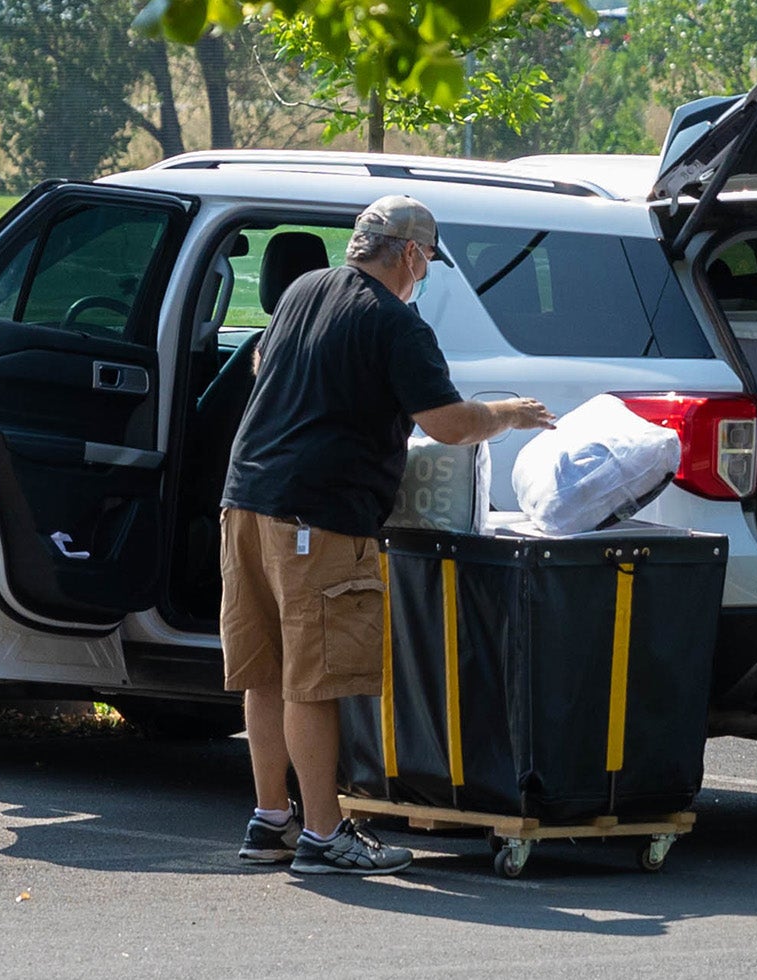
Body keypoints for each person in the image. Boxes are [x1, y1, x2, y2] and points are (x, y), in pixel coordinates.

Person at [220, 196, 554, 876]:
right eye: (427, 259)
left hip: (245, 502)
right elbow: (450, 425)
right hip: (317, 516)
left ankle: (271, 821)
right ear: (407, 253)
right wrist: (511, 414)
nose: (425, 271)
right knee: (313, 682)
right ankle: (322, 836)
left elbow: (261, 365)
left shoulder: (303, 292)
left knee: (265, 671)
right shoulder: (396, 324)